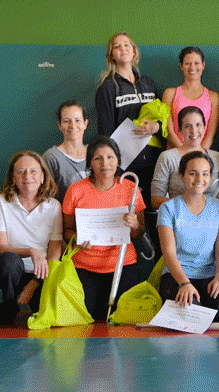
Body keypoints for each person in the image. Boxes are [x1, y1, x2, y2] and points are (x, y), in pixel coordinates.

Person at [62, 136, 146, 320]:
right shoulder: (76, 190)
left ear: (118, 160)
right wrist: (76, 239)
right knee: (86, 312)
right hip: (85, 264)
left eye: (110, 157)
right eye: (98, 158)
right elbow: (66, 232)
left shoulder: (130, 188)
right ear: (90, 162)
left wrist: (135, 225)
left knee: (123, 315)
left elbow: (139, 233)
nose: (105, 163)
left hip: (122, 263)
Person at [0, 151, 63, 324]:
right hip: (10, 270)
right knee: (8, 261)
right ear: (13, 178)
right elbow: (0, 247)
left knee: (44, 317)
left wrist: (33, 284)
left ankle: (35, 295)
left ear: (43, 176)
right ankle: (9, 306)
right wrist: (32, 251)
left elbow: (54, 251)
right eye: (21, 172)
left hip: (40, 273)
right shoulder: (1, 202)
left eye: (33, 171)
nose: (27, 176)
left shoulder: (53, 206)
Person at [157, 151, 219, 321]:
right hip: (177, 275)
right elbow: (169, 252)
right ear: (181, 176)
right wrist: (184, 283)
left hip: (208, 275)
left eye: (205, 174)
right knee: (190, 313)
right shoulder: (168, 208)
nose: (199, 179)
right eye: (192, 173)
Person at [95, 32, 161, 208]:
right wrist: (113, 167)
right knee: (131, 211)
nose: (123, 49)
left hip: (154, 159)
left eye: (127, 45)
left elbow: (163, 119)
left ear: (134, 51)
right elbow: (105, 132)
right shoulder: (108, 87)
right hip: (126, 162)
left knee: (153, 210)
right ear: (111, 55)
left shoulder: (148, 83)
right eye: (117, 46)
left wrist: (157, 127)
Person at [151, 106, 219, 209]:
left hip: (210, 220)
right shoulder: (168, 157)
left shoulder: (217, 158)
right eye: (187, 126)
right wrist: (189, 206)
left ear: (205, 127)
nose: (193, 131)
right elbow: (155, 200)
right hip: (177, 219)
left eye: (198, 125)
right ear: (180, 130)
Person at [163, 47, 219, 150]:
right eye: (187, 63)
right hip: (176, 154)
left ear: (203, 65)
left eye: (197, 63)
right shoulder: (170, 94)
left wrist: (198, 156)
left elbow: (211, 135)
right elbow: (169, 132)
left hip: (202, 157)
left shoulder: (213, 97)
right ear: (181, 66)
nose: (192, 67)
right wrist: (184, 153)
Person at [43, 100, 89, 202]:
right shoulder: (51, 158)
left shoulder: (95, 153)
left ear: (85, 123)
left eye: (77, 120)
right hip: (64, 216)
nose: (72, 126)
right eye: (66, 121)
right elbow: (46, 197)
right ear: (59, 125)